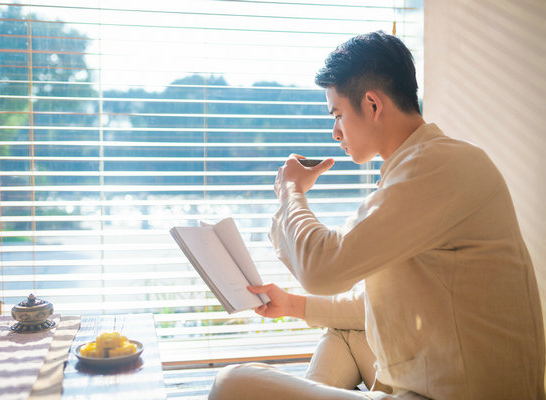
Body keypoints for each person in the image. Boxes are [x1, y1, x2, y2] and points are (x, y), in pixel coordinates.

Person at [208, 31, 545, 400]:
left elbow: (323, 268)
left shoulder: (435, 168)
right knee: (345, 333)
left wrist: (291, 190)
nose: (335, 132)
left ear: (371, 104)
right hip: (444, 378)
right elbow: (381, 302)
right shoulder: (421, 167)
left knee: (231, 383)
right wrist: (291, 305)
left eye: (337, 115)